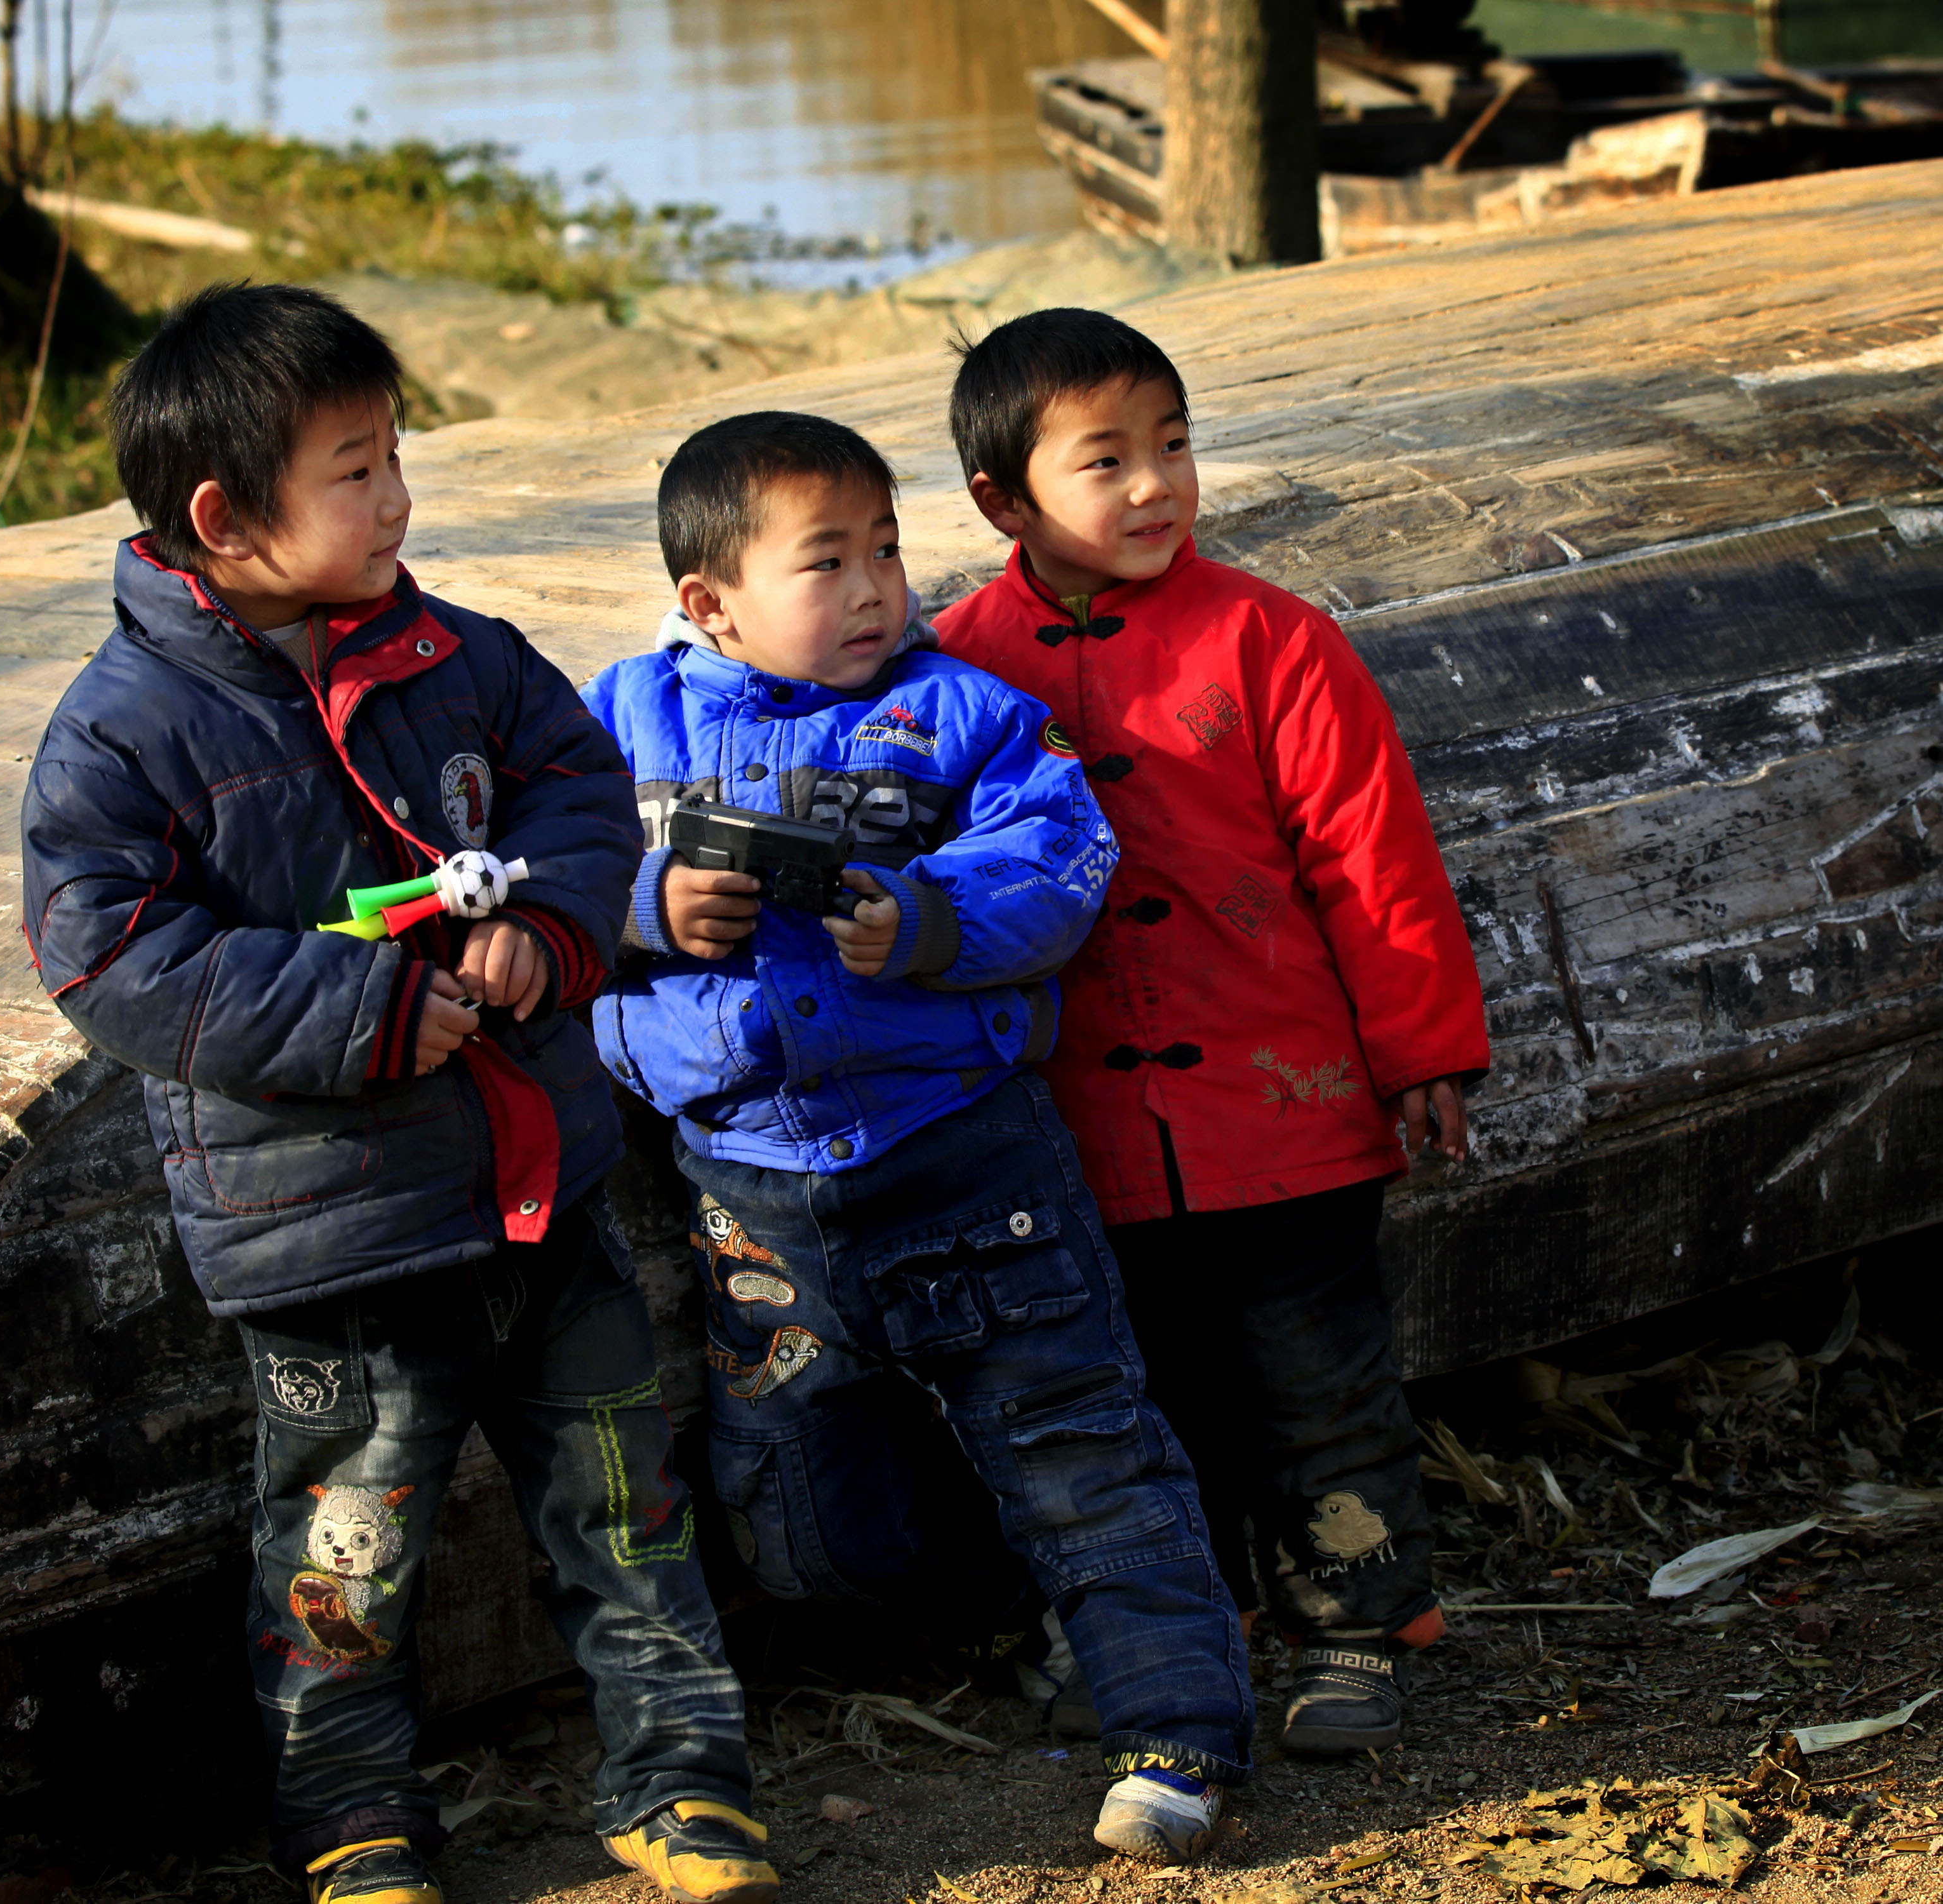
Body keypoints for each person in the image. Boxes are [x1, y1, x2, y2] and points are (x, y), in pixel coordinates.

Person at [19, 284, 777, 1904]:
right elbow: (107, 957)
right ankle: (351, 1816)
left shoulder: (461, 656)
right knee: (342, 1550)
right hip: (330, 1237)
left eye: (393, 456)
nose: (397, 500)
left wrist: (551, 928)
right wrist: (363, 1010)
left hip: (538, 1185)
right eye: (355, 471)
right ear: (225, 518)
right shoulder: (121, 733)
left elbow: (580, 792)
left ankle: (685, 1782)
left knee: (628, 1508)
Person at [582, 409, 1255, 1866]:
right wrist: (642, 906)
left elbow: (1059, 854)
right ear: (709, 600)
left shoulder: (963, 713)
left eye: (886, 550)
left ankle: (1175, 1725)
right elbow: (534, 863)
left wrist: (931, 917)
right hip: (750, 1191)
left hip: (965, 1154)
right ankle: (1021, 1596)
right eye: (826, 561)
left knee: (1075, 1436)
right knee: (802, 1522)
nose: (875, 588)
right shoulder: (620, 721)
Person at [937, 309, 1491, 1757]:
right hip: (1078, 1130)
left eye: (1173, 444)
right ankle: (1178, 1632)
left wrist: (1423, 1048)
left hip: (1287, 1104)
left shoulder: (1271, 639)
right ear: (1001, 500)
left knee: (1318, 1383)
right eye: (1104, 459)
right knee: (1135, 1393)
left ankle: (1355, 1623)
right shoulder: (953, 672)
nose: (1155, 485)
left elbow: (1371, 857)